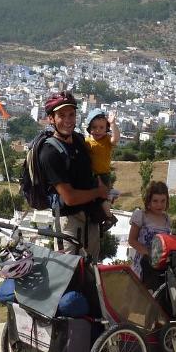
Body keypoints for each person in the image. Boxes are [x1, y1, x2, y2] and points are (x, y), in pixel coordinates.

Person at [39, 91, 109, 260]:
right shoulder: (50, 153)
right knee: (69, 273)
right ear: (51, 119)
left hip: (90, 218)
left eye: (71, 114)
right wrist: (100, 192)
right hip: (69, 221)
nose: (68, 120)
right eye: (62, 115)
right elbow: (69, 197)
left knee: (92, 273)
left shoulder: (78, 140)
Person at [127, 180, 172, 288]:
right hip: (142, 266)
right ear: (148, 201)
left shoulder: (167, 219)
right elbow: (132, 240)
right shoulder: (141, 215)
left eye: (163, 201)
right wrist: (148, 253)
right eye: (155, 201)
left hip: (159, 268)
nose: (159, 205)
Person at [84, 108, 121, 230]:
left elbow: (115, 139)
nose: (98, 130)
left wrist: (113, 124)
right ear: (89, 128)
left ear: (106, 128)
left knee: (100, 199)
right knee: (94, 199)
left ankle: (110, 217)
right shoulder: (87, 141)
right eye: (94, 127)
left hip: (103, 175)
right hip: (91, 175)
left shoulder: (106, 141)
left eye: (101, 127)